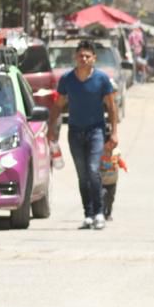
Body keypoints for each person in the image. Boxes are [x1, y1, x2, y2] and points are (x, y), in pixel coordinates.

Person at [48, 40, 119, 230]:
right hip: (75, 132)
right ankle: (88, 214)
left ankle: (99, 212)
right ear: (75, 57)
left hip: (96, 131)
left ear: (94, 58)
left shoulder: (102, 79)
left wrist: (114, 133)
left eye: (88, 56)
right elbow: (58, 105)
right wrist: (51, 130)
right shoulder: (67, 79)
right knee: (82, 175)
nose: (84, 59)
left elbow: (112, 107)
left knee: (93, 170)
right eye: (80, 55)